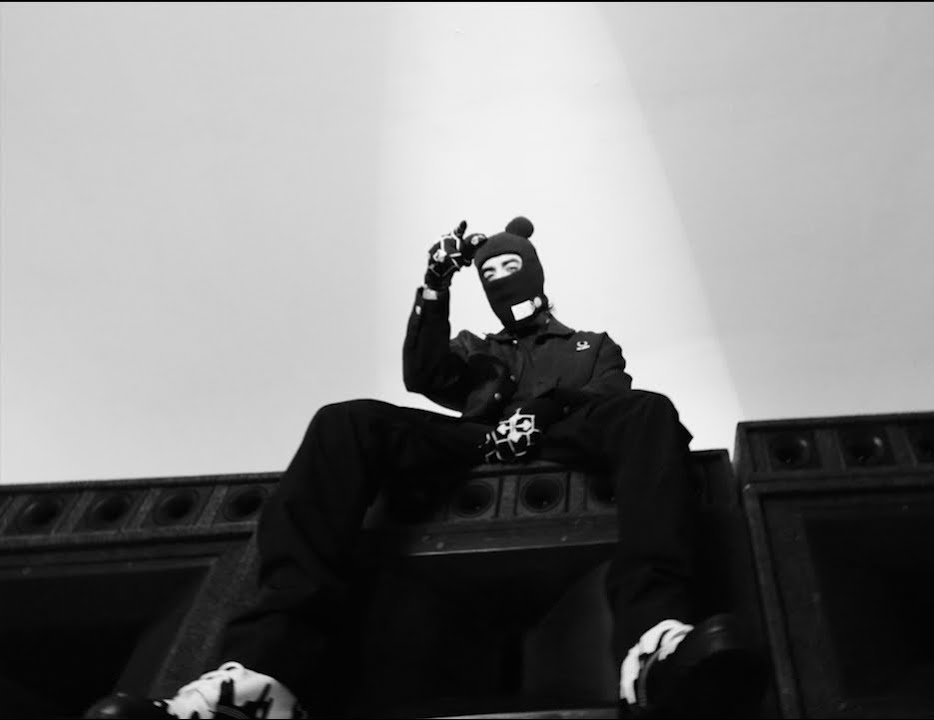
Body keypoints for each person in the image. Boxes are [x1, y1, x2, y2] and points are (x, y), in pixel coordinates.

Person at [86, 217, 766, 719]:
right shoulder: (478, 349)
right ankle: (263, 677)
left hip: (563, 439)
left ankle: (652, 647)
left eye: (511, 269)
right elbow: (426, 373)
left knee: (650, 412)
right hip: (476, 443)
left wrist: (547, 410)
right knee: (344, 422)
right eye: (490, 275)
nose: (502, 283)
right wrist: (436, 285)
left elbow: (611, 399)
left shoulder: (590, 345)